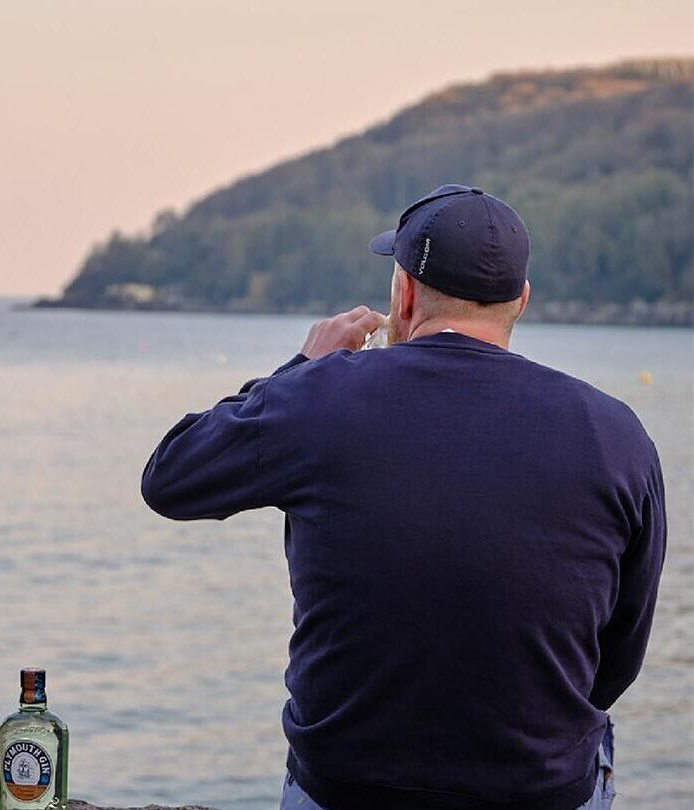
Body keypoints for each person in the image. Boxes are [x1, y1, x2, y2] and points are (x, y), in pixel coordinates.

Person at [141, 185, 665, 810]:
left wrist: (301, 368)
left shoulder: (320, 399)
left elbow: (170, 478)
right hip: (541, 791)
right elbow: (617, 662)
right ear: (520, 301)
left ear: (405, 293)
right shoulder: (616, 433)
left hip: (348, 790)